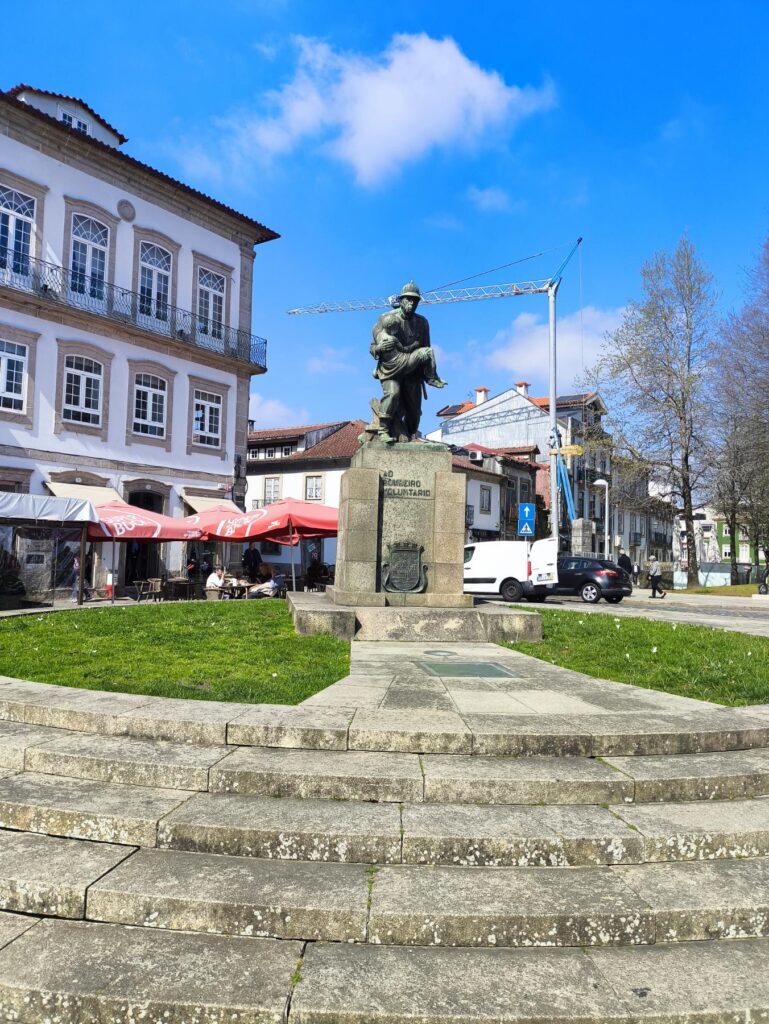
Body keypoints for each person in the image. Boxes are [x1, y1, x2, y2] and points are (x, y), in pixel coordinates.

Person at [370, 282, 447, 443]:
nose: (412, 303)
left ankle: (409, 437)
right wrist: (379, 347)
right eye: (408, 299)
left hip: (412, 370)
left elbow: (426, 347)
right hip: (392, 369)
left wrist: (427, 374)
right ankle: (383, 430)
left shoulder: (422, 323)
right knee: (393, 394)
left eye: (415, 300)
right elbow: (373, 346)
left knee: (414, 413)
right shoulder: (387, 319)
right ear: (401, 300)